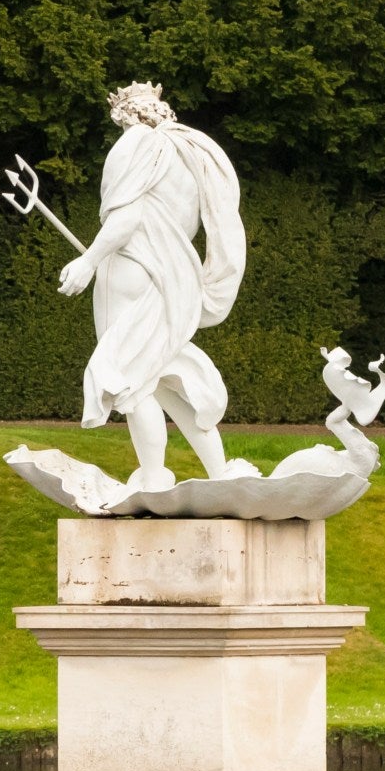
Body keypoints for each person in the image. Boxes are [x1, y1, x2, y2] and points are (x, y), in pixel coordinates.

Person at [56, 83, 260, 489]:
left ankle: (153, 477)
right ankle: (219, 473)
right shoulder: (195, 151)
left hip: (132, 268)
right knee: (167, 377)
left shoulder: (133, 145)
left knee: (130, 380)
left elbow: (127, 219)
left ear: (126, 116)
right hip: (176, 278)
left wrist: (89, 260)